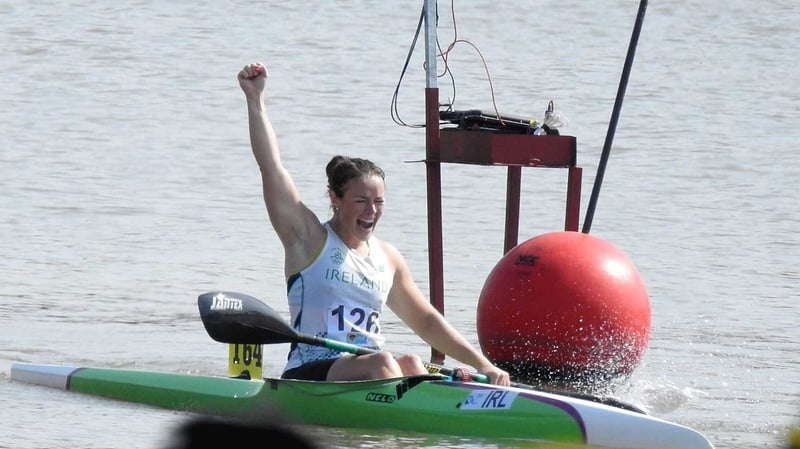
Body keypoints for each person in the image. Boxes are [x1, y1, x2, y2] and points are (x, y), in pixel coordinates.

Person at [237, 62, 509, 386]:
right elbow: (271, 168)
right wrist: (255, 100)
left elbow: (427, 322)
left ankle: (429, 424)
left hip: (368, 371)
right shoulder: (308, 239)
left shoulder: (387, 259)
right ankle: (415, 424)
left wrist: (484, 365)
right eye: (361, 201)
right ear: (335, 199)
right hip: (311, 373)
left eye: (379, 202)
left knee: (409, 360)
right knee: (383, 362)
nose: (372, 211)